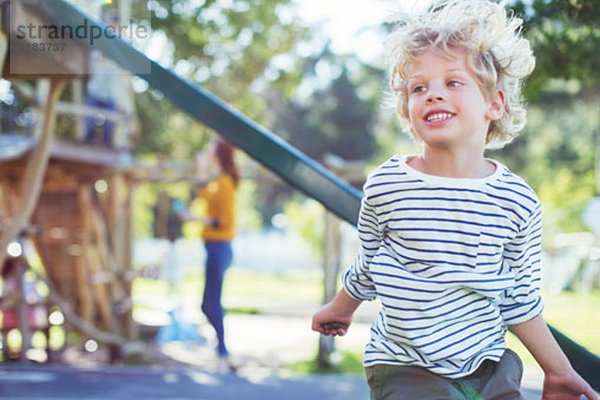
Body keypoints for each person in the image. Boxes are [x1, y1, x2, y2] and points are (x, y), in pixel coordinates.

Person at [311, 1, 598, 399]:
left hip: (487, 365)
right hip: (405, 365)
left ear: (494, 103)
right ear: (408, 112)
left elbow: (519, 299)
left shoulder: (517, 202)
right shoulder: (388, 185)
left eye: (453, 82)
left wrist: (558, 370)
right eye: (419, 88)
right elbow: (370, 262)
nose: (433, 95)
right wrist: (341, 306)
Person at [193, 138, 239, 373]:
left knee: (211, 303)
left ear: (219, 153)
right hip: (214, 247)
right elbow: (204, 194)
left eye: (211, 147)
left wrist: (195, 219)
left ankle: (223, 352)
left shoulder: (225, 183)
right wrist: (201, 169)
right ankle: (223, 353)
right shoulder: (218, 181)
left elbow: (225, 221)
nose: (207, 149)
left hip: (220, 246)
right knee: (208, 304)